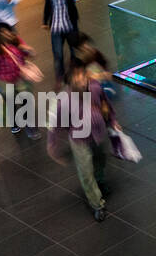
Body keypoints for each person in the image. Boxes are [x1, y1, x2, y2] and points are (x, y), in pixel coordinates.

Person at [47, 48, 118, 220]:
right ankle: (97, 204)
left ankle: (100, 180)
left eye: (82, 74)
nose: (80, 79)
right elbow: (54, 124)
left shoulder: (94, 86)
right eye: (76, 76)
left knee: (100, 160)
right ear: (70, 80)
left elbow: (105, 103)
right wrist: (52, 145)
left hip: (99, 133)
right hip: (79, 140)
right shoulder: (63, 100)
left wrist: (113, 121)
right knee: (86, 172)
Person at [43, 0, 80, 81]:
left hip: (70, 25)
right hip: (56, 27)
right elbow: (47, 8)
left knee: (75, 50)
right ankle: (60, 75)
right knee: (58, 54)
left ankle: (76, 71)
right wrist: (44, 21)